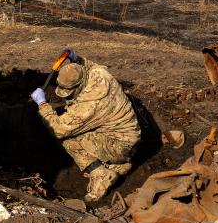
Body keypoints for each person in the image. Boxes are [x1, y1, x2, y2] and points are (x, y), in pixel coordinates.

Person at [30, 50, 141, 202]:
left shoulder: (89, 105)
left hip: (119, 146)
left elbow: (58, 129)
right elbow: (89, 65)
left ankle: (100, 174)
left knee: (68, 138)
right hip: (129, 134)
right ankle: (119, 165)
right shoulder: (99, 74)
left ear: (79, 85)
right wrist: (77, 59)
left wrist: (42, 104)